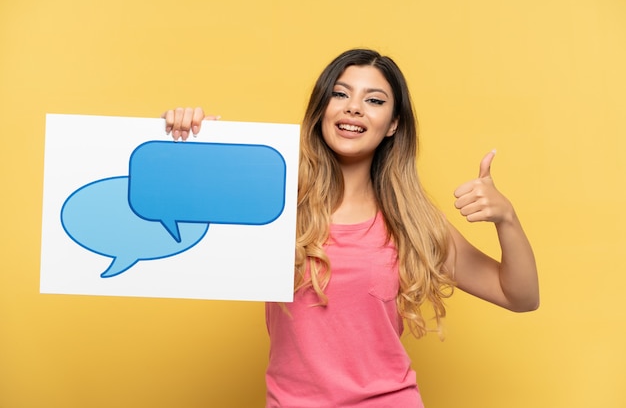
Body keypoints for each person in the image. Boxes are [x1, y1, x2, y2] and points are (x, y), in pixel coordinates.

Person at [162, 48, 539, 408]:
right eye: (340, 94)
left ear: (393, 125)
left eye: (374, 100)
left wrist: (507, 218)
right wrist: (194, 144)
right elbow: (175, 212)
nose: (354, 107)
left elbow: (519, 296)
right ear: (322, 109)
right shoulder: (274, 202)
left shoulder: (412, 220)